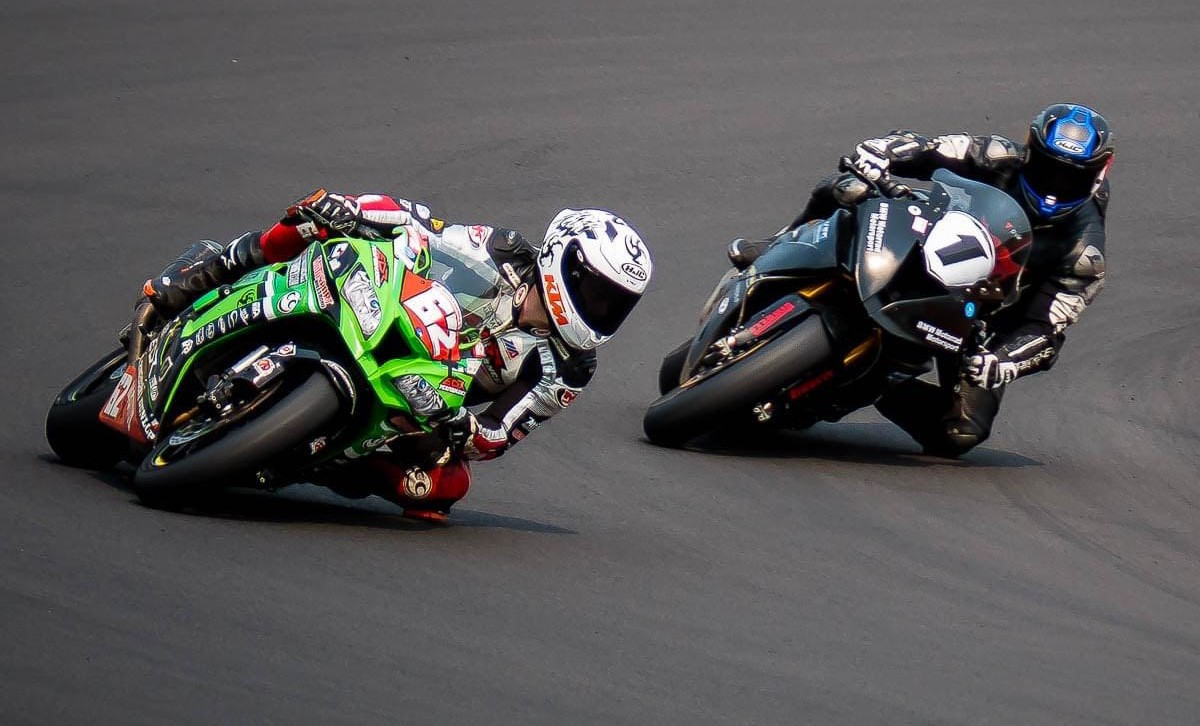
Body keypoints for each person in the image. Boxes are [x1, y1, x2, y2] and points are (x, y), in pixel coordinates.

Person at [132, 191, 652, 520]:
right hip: (382, 315)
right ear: (563, 260)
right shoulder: (500, 252)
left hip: (425, 402)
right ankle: (220, 265)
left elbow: (503, 430)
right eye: (598, 292)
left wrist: (467, 434)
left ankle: (326, 468)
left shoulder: (569, 368)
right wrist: (354, 211)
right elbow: (419, 226)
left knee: (442, 489)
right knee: (314, 222)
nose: (603, 310)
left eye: (617, 305)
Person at [727, 103, 1113, 457]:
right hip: (928, 241)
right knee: (848, 186)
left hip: (981, 317)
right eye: (1048, 170)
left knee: (960, 433)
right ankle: (779, 244)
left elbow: (1047, 329)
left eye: (1070, 180)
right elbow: (931, 147)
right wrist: (883, 151)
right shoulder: (997, 155)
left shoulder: (1085, 256)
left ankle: (882, 384)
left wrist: (1001, 360)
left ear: (1100, 172)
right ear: (1030, 152)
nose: (1053, 189)